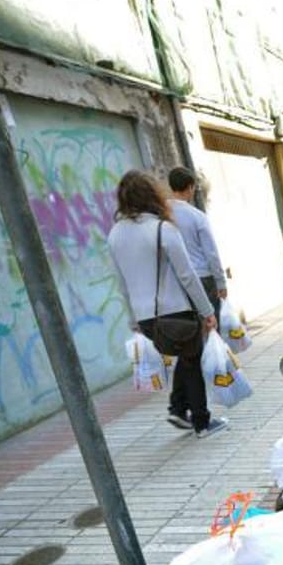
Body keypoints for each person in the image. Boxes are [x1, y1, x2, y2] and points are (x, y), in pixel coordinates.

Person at [108, 170, 228, 438]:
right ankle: (201, 422)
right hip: (177, 311)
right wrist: (207, 311)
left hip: (146, 318)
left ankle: (178, 409)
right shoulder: (163, 229)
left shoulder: (115, 234)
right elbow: (187, 276)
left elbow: (122, 283)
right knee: (192, 360)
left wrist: (133, 320)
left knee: (185, 362)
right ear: (153, 195)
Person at [167, 166, 227, 321]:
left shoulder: (161, 215)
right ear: (190, 187)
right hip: (203, 278)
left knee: (190, 331)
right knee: (211, 326)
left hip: (176, 281)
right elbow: (211, 253)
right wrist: (221, 282)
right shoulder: (197, 216)